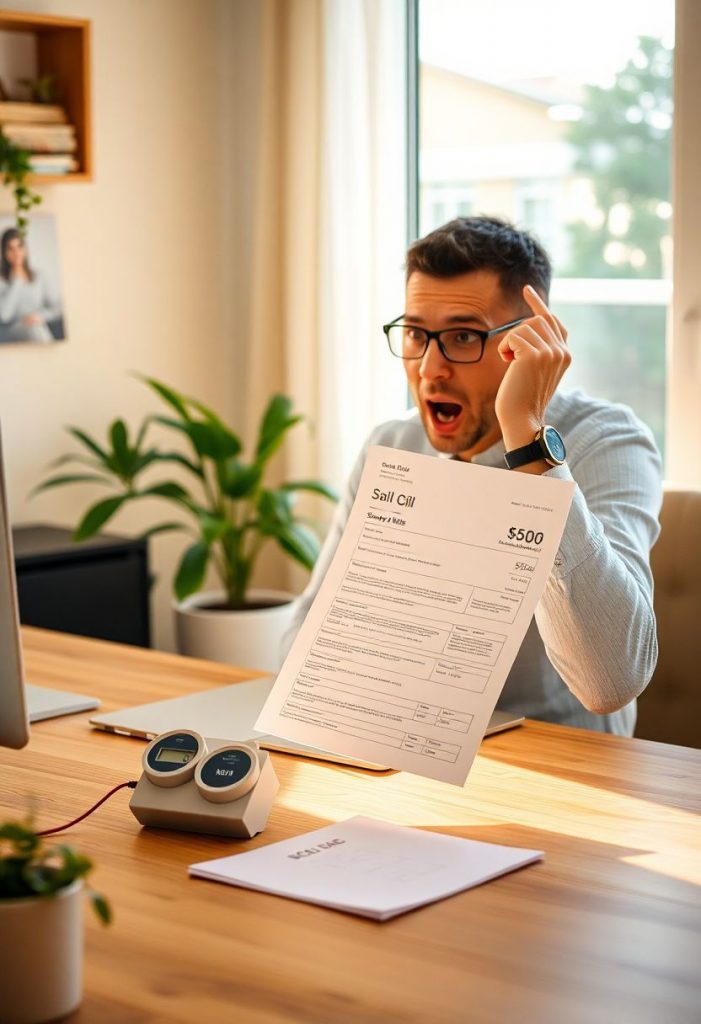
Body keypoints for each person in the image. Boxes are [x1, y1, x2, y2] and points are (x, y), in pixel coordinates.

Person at [287, 216, 662, 736]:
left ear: (534, 339)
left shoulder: (609, 441)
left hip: (558, 767)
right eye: (417, 334)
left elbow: (610, 683)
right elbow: (308, 640)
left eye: (463, 336)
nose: (430, 369)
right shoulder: (391, 446)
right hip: (401, 753)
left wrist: (527, 436)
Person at [0, 227, 61, 343]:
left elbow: (56, 307)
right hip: (10, 330)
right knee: (34, 330)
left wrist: (40, 316)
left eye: (19, 247)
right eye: (10, 249)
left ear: (25, 249)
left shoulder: (39, 276)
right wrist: (16, 281)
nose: (16, 253)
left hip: (36, 325)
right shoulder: (2, 280)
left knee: (36, 328)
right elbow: (4, 315)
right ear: (4, 252)